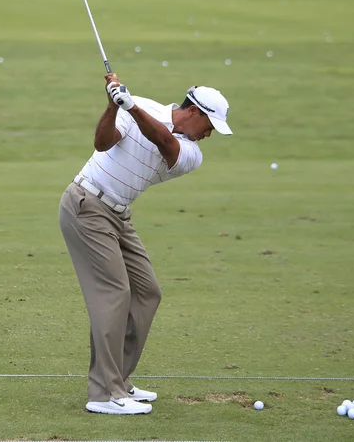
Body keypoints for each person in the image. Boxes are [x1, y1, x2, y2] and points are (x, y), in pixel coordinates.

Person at [59, 74, 232, 414]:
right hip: (86, 205)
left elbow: (164, 144)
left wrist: (130, 106)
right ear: (195, 112)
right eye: (210, 125)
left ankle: (119, 381)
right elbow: (102, 142)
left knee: (147, 291)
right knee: (114, 293)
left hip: (118, 215)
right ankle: (103, 394)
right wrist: (113, 106)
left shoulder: (191, 153)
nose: (209, 134)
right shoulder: (139, 106)